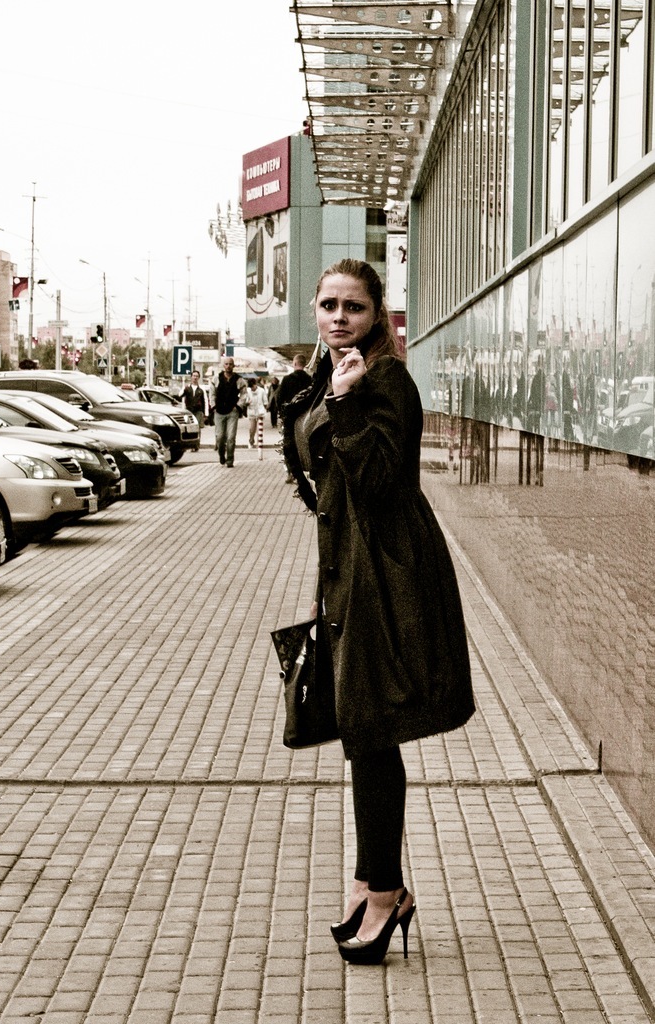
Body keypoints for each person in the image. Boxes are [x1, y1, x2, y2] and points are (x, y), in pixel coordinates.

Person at [281, 259, 475, 965]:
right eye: (329, 304)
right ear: (314, 308)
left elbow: (374, 479)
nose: (340, 318)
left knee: (371, 729)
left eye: (354, 307)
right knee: (363, 733)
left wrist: (344, 402)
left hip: (389, 571)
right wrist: (325, 583)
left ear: (377, 314)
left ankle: (386, 891)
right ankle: (371, 883)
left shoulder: (385, 379)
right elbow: (324, 492)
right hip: (349, 569)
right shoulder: (325, 376)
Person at [276, 353, 312, 482]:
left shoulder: (287, 379)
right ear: (305, 364)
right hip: (306, 418)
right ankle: (308, 471)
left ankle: (291, 472)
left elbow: (278, 398)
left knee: (289, 445)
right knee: (305, 444)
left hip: (290, 418)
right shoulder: (310, 380)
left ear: (294, 363)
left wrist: (281, 414)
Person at [210, 356, 247, 467]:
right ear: (223, 365)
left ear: (233, 365)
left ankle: (230, 460)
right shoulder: (216, 378)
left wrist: (238, 406)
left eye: (230, 364)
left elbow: (244, 394)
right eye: (226, 364)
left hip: (232, 412)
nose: (228, 366)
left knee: (231, 437)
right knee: (220, 437)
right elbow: (212, 393)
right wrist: (213, 406)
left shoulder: (238, 379)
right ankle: (221, 454)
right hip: (219, 412)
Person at [179, 370, 205, 449]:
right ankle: (191, 444)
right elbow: (180, 395)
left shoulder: (201, 389)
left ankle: (196, 445)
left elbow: (204, 401)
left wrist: (205, 413)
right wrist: (184, 389)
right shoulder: (187, 388)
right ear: (191, 377)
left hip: (198, 410)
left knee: (197, 428)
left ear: (199, 378)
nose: (195, 377)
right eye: (194, 376)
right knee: (190, 427)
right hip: (189, 411)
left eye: (197, 376)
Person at [245, 377, 267, 448]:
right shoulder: (248, 391)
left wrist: (264, 409)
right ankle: (251, 441)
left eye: (253, 387)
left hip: (260, 412)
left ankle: (259, 442)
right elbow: (245, 401)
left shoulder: (261, 391)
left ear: (255, 384)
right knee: (252, 429)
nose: (252, 389)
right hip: (252, 412)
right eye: (250, 387)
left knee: (259, 428)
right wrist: (247, 403)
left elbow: (265, 402)